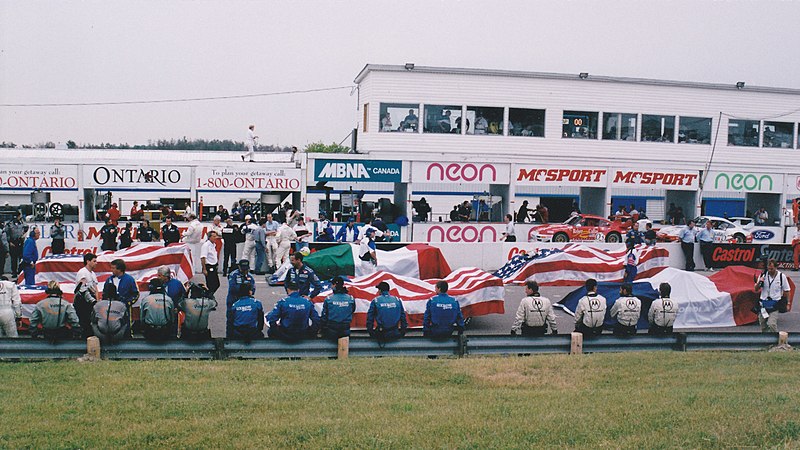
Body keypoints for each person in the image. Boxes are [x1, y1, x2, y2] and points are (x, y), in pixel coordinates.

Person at [754, 258, 790, 333]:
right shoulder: (763, 275)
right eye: (769, 269)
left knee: (771, 324)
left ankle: (776, 340)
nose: (770, 270)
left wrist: (787, 303)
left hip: (775, 304)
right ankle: (766, 341)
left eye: (772, 269)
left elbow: (786, 290)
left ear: (776, 267)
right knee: (763, 324)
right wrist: (759, 282)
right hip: (763, 304)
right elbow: (756, 289)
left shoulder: (781, 276)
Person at [320, 276, 356, 340]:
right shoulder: (351, 298)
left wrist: (322, 327)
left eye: (332, 284)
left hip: (332, 330)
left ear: (335, 285)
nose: (331, 287)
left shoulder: (328, 299)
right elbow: (352, 310)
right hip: (345, 330)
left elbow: (324, 316)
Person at [226, 259, 255, 335]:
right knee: (230, 320)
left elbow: (253, 289)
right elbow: (233, 288)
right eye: (243, 268)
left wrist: (249, 290)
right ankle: (229, 337)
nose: (244, 270)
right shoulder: (233, 275)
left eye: (246, 268)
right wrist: (245, 289)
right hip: (234, 299)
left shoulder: (250, 276)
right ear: (239, 267)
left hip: (246, 300)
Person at [74, 253, 99, 338]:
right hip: (83, 302)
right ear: (88, 261)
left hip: (91, 301)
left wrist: (97, 302)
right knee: (85, 323)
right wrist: (93, 301)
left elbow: (95, 289)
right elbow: (83, 289)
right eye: (94, 261)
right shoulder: (83, 273)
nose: (96, 263)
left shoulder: (92, 274)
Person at [5, 212, 27, 277]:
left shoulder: (21, 223)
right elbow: (7, 233)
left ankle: (20, 271)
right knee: (14, 259)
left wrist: (23, 235)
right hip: (13, 242)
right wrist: (9, 241)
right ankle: (14, 272)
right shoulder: (9, 224)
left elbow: (26, 227)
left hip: (20, 241)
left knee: (21, 257)